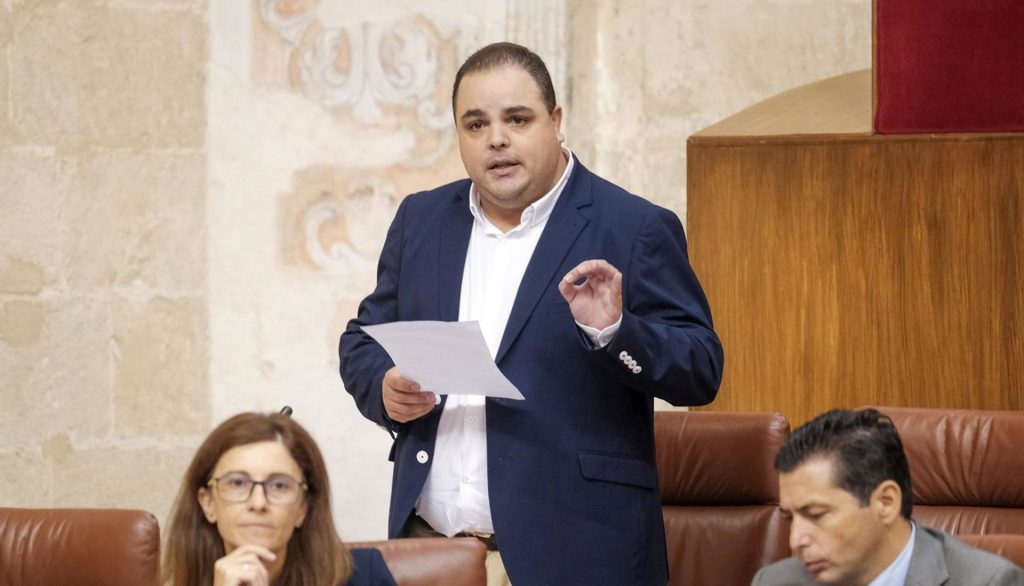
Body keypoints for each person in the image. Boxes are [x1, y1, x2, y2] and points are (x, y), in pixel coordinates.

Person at [339, 42, 723, 585]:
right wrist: (384, 386)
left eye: (517, 119)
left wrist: (615, 332)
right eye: (476, 124)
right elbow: (363, 340)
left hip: (575, 556)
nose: (496, 139)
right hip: (429, 550)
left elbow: (701, 369)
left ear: (556, 122)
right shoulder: (421, 220)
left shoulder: (632, 226)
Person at [753, 408, 1024, 586]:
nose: (795, 540)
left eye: (816, 515)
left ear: (886, 502)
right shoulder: (776, 581)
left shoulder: (989, 582)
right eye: (791, 518)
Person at [162, 412, 396, 586]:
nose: (258, 503)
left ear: (303, 507)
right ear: (208, 503)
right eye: (237, 483)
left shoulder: (365, 576)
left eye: (279, 486)